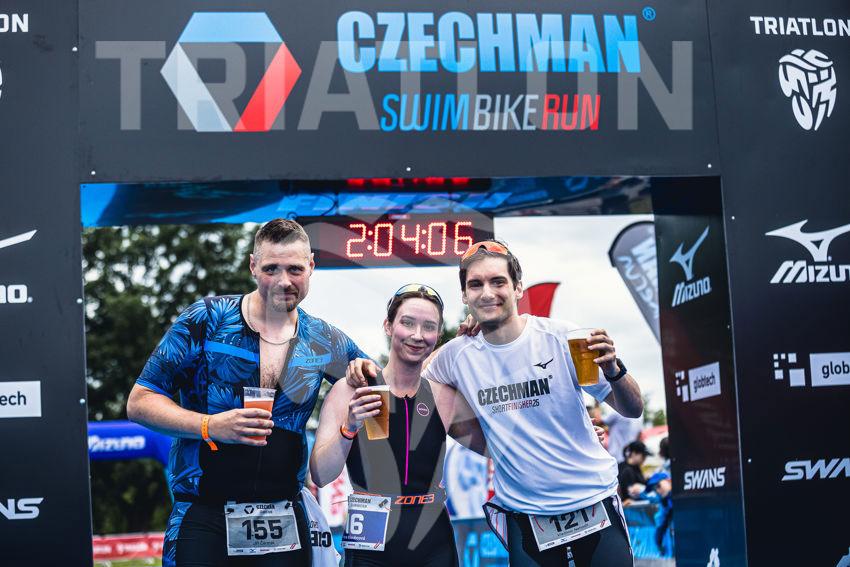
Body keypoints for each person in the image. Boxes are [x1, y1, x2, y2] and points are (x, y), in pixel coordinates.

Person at [348, 240, 643, 567]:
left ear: (518, 288)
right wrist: (364, 367)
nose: (487, 293)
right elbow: (404, 380)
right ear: (465, 296)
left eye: (498, 282)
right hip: (526, 515)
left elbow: (633, 409)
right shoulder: (456, 355)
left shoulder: (562, 337)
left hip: (593, 501)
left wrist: (615, 371)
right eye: (476, 285)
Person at [126, 219, 369, 567]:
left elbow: (387, 382)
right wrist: (211, 425)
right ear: (253, 266)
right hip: (204, 514)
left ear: (311, 267)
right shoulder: (208, 319)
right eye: (271, 269)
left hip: (283, 516)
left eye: (295, 269)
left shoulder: (323, 339)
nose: (284, 281)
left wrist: (466, 335)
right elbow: (140, 402)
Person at [310, 284, 485, 567]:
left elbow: (497, 447)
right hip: (369, 541)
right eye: (408, 323)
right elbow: (320, 475)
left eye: (429, 327)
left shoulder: (444, 397)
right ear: (388, 326)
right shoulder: (351, 389)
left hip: (432, 541)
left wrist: (485, 339)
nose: (417, 335)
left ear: (438, 334)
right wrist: (349, 426)